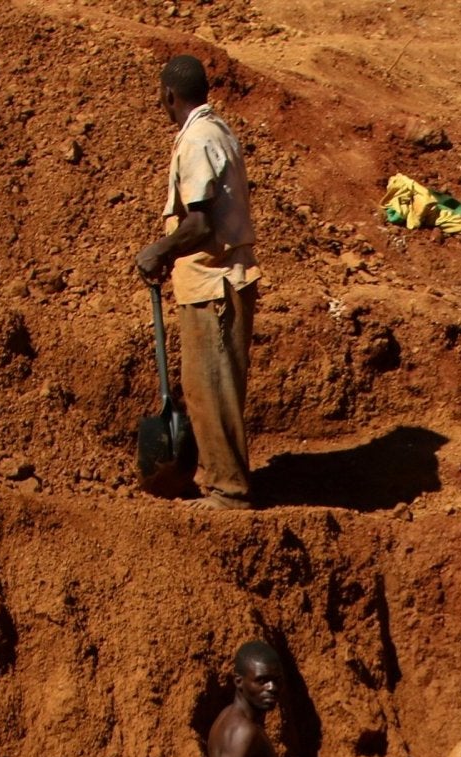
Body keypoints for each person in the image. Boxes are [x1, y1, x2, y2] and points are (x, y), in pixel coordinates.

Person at [134, 54, 259, 510]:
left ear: (169, 94)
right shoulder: (215, 130)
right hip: (213, 279)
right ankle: (218, 474)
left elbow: (201, 224)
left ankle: (229, 491)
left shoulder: (199, 140)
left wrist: (159, 250)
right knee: (208, 385)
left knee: (212, 385)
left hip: (215, 284)